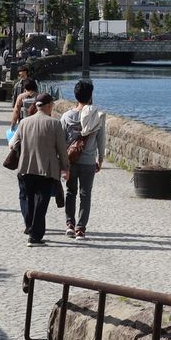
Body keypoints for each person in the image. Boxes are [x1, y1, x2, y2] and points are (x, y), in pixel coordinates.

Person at [9, 93, 68, 246]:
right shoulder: (55, 124)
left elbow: (14, 142)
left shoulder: (24, 122)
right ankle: (35, 236)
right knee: (42, 202)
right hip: (46, 169)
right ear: (49, 105)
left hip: (26, 167)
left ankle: (30, 228)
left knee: (29, 200)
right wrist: (65, 168)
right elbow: (62, 150)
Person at [60, 79, 107, 240]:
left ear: (75, 95)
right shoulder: (97, 116)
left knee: (70, 192)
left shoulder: (66, 116)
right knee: (85, 195)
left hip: (70, 160)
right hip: (88, 161)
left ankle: (70, 225)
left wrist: (62, 160)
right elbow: (101, 140)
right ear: (90, 96)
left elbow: (61, 140)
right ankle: (81, 228)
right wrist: (100, 159)